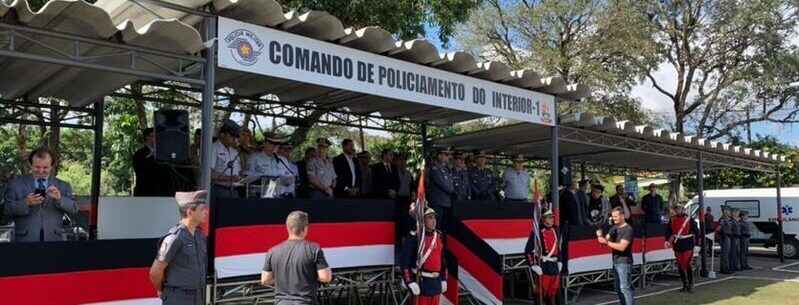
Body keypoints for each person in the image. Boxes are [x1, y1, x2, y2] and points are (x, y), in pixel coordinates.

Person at [4, 147, 77, 242]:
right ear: (30, 165)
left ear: (52, 166)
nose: (41, 171)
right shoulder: (16, 184)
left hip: (54, 240)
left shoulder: (63, 185)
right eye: (37, 167)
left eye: (45, 167)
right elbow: (6, 210)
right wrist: (26, 203)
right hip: (24, 240)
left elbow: (74, 209)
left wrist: (60, 199)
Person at [149, 190, 209, 305]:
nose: (206, 212)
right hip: (178, 298)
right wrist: (162, 289)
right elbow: (155, 272)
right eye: (202, 209)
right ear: (190, 212)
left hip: (198, 296)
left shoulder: (200, 236)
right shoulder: (174, 238)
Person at [261, 211, 333, 305]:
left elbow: (265, 280)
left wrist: (283, 279)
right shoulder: (314, 249)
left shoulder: (272, 251)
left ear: (287, 228)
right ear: (305, 228)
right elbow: (326, 277)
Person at [400, 207, 448, 305]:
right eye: (430, 218)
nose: (434, 221)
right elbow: (405, 262)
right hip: (421, 283)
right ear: (423, 220)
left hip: (436, 283)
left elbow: (443, 261)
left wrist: (444, 278)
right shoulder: (414, 237)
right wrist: (409, 282)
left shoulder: (439, 236)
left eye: (434, 218)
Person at [597, 208, 634, 305]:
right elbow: (604, 241)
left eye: (616, 216)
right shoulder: (614, 227)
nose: (614, 219)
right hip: (616, 261)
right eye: (613, 217)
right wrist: (600, 236)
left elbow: (622, 247)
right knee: (618, 288)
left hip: (624, 262)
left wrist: (606, 242)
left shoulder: (628, 229)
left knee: (625, 288)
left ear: (622, 216)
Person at [525, 209, 561, 305]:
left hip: (554, 265)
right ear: (543, 219)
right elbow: (528, 250)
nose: (552, 220)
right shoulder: (537, 232)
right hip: (543, 266)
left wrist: (560, 260)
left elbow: (558, 247)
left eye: (552, 218)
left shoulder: (556, 230)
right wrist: (533, 265)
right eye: (549, 218)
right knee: (540, 293)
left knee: (553, 292)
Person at [665, 204, 698, 292]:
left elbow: (696, 231)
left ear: (683, 210)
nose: (678, 210)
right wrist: (667, 240)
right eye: (676, 209)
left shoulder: (689, 219)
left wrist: (697, 244)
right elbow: (668, 231)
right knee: (680, 265)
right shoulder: (672, 219)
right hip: (678, 244)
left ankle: (691, 284)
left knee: (687, 264)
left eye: (679, 209)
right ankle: (684, 284)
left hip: (687, 243)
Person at [211, 120, 242, 198]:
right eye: (231, 135)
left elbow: (238, 172)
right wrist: (229, 178)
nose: (234, 138)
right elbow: (208, 173)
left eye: (235, 136)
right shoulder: (213, 148)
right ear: (222, 134)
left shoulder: (234, 152)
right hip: (219, 190)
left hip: (234, 190)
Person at [428, 148, 455, 232]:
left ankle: (442, 244)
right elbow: (443, 184)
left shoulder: (447, 169)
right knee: (436, 226)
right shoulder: (434, 168)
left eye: (448, 155)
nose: (448, 157)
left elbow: (451, 182)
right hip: (438, 203)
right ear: (439, 156)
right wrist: (452, 190)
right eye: (446, 155)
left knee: (445, 227)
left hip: (446, 203)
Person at [718, 206, 733, 274]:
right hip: (725, 237)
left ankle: (725, 268)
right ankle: (724, 269)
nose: (729, 212)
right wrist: (723, 235)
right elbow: (719, 228)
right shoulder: (723, 219)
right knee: (725, 254)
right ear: (724, 211)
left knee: (726, 254)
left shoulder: (728, 219)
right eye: (728, 210)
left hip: (728, 237)